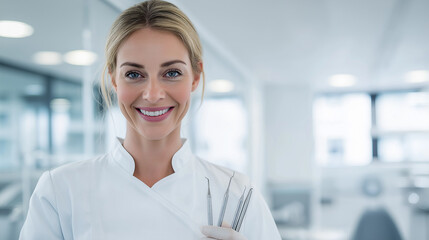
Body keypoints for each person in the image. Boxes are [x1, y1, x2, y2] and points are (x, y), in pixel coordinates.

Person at [19, 0, 281, 239]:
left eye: (172, 72)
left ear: (196, 77)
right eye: (134, 74)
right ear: (113, 79)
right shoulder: (60, 191)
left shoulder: (235, 194)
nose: (153, 94)